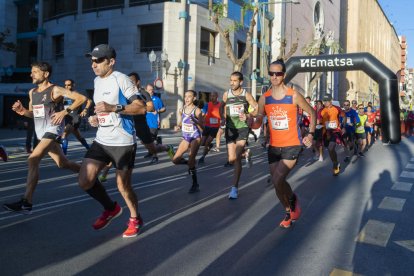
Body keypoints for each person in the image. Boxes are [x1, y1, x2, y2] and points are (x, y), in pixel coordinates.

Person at [79, 44, 147, 238]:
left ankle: (135, 218)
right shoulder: (96, 81)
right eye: (92, 61)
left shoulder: (121, 79)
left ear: (111, 62)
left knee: (123, 186)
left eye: (98, 61)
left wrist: (114, 107)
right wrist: (96, 118)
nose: (94, 65)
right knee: (85, 180)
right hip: (102, 139)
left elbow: (141, 107)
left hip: (122, 142)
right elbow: (102, 110)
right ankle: (111, 208)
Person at [3, 61, 86, 213]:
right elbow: (33, 113)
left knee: (33, 159)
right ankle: (88, 173)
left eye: (35, 71)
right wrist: (22, 111)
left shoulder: (55, 90)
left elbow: (81, 98)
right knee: (63, 163)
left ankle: (26, 202)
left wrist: (64, 112)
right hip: (42, 133)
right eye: (31, 71)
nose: (31, 74)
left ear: (45, 74)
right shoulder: (32, 92)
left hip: (53, 130)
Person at [250, 59, 316, 228]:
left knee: (279, 179)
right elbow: (258, 121)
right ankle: (288, 211)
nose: (274, 76)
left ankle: (293, 199)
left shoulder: (293, 95)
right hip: (274, 146)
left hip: (292, 144)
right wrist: (250, 120)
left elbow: (312, 113)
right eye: (271, 73)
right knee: (276, 183)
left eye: (278, 73)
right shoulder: (264, 98)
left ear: (284, 75)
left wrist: (311, 133)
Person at [220, 71, 258, 199]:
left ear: (241, 82)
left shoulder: (246, 95)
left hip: (242, 128)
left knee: (236, 158)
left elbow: (257, 108)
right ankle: (246, 154)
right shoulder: (226, 94)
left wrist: (248, 115)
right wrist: (223, 117)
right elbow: (221, 106)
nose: (232, 83)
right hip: (230, 129)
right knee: (231, 159)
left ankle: (234, 188)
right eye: (231, 80)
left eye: (235, 81)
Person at [171, 90, 204, 193]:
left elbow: (203, 127)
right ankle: (190, 164)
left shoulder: (197, 111)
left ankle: (195, 184)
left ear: (194, 98)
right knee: (175, 160)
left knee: (191, 158)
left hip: (195, 137)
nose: (187, 98)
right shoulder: (182, 109)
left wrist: (196, 121)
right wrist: (178, 126)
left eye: (189, 96)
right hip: (186, 137)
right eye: (185, 96)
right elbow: (182, 122)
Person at [61, 79, 92, 155]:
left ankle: (63, 154)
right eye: (65, 85)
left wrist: (85, 110)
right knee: (79, 136)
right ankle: (89, 150)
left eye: (69, 85)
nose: (67, 86)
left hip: (75, 118)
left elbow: (89, 101)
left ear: (73, 85)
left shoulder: (76, 94)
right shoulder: (64, 95)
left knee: (64, 134)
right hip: (67, 118)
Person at [320, 94, 345, 176]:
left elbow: (344, 116)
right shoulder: (321, 110)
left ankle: (335, 165)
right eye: (324, 101)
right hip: (325, 132)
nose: (325, 102)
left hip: (335, 130)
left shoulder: (337, 108)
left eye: (327, 101)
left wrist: (343, 126)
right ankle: (336, 162)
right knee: (330, 149)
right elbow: (318, 119)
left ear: (331, 101)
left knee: (331, 147)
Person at [198, 92, 221, 164]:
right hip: (207, 126)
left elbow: (223, 115)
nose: (212, 97)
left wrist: (223, 122)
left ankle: (202, 157)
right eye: (211, 96)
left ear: (217, 96)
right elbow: (202, 113)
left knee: (207, 142)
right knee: (202, 143)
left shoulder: (220, 105)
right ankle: (210, 145)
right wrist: (200, 119)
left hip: (215, 127)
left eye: (213, 96)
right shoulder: (207, 104)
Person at [144, 84, 166, 157]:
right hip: (144, 122)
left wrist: (158, 111)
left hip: (154, 122)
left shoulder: (157, 99)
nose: (151, 91)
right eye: (150, 90)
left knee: (151, 139)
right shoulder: (143, 99)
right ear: (146, 90)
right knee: (146, 139)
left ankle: (154, 156)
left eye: (152, 89)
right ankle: (157, 140)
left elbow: (164, 108)